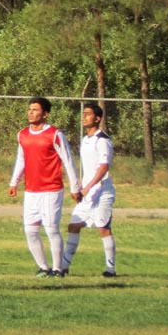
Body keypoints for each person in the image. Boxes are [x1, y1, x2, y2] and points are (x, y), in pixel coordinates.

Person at [8, 96, 82, 278]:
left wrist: (74, 188)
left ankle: (57, 269)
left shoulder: (55, 135)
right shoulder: (22, 134)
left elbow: (68, 161)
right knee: (30, 230)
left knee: (51, 229)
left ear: (45, 114)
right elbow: (21, 159)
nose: (30, 113)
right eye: (29, 109)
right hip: (31, 191)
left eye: (35, 110)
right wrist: (14, 181)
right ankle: (43, 267)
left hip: (51, 189)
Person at [62, 103, 117, 277]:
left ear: (97, 118)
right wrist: (80, 186)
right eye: (83, 113)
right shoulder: (85, 139)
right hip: (87, 192)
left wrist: (87, 187)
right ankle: (64, 267)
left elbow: (103, 167)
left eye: (88, 114)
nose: (84, 116)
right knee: (74, 226)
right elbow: (88, 168)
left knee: (103, 228)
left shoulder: (102, 140)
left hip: (102, 192)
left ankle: (110, 270)